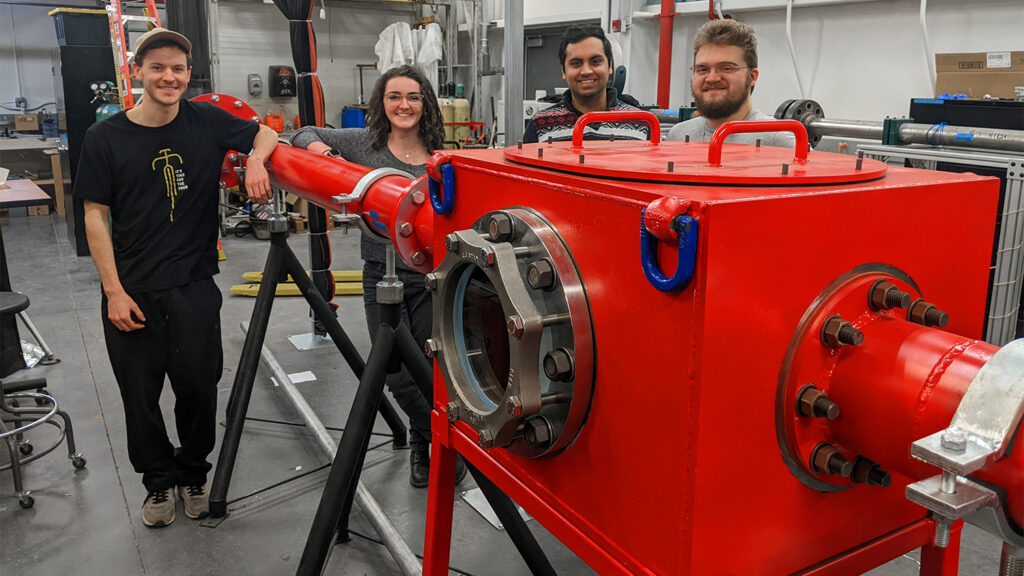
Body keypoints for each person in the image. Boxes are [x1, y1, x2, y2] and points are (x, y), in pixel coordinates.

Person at [74, 28, 278, 527]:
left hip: (192, 287)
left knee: (198, 390)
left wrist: (254, 159)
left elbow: (267, 131)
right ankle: (158, 484)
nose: (169, 77)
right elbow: (94, 216)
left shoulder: (205, 120)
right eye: (158, 67)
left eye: (179, 68)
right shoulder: (105, 138)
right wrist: (113, 293)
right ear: (138, 71)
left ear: (189, 75)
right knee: (139, 399)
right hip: (133, 292)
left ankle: (192, 473)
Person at [291, 65, 466, 489]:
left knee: (433, 366)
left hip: (431, 277)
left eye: (412, 97)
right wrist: (323, 153)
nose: (403, 105)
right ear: (381, 103)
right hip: (379, 273)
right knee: (392, 368)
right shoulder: (363, 145)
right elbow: (301, 133)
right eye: (394, 97)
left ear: (425, 103)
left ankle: (428, 448)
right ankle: (435, 437)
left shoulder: (442, 157)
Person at [667, 20, 797, 148]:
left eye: (726, 68)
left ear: (752, 77)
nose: (711, 78)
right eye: (702, 69)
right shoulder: (679, 135)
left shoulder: (779, 140)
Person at [523, 24, 649, 144]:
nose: (586, 71)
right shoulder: (539, 125)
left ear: (610, 66)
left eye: (595, 61)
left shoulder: (641, 124)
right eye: (576, 63)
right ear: (563, 71)